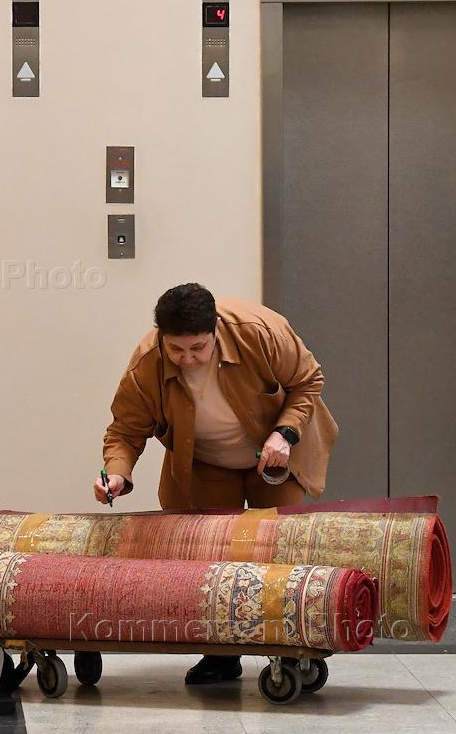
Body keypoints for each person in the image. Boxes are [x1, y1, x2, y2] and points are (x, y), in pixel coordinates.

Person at [93, 283, 338, 685]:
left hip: (274, 454)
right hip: (204, 462)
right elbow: (125, 431)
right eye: (176, 350)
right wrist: (117, 473)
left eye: (198, 348)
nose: (188, 359)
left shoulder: (259, 331)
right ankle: (221, 653)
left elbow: (309, 380)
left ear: (215, 331)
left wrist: (285, 432)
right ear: (161, 337)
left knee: (279, 549)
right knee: (209, 557)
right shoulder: (147, 364)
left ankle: (289, 650)